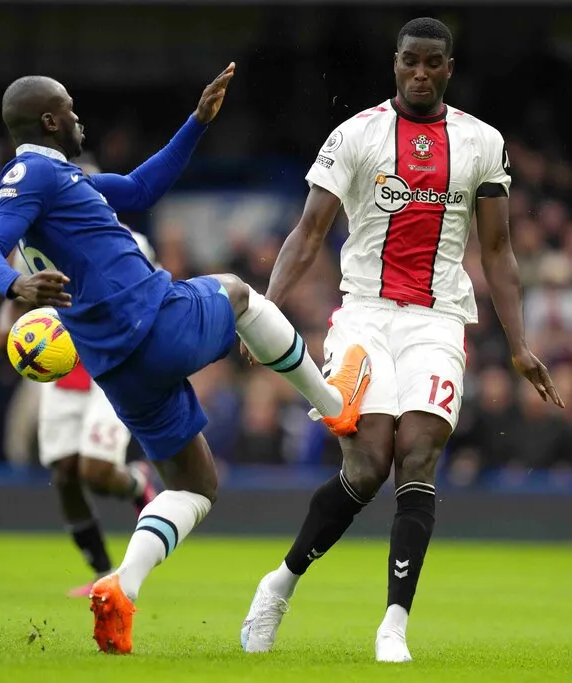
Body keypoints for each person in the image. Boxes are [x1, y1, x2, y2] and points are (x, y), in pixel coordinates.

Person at [0, 64, 371, 654]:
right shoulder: (32, 174)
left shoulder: (61, 179)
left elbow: (139, 190)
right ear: (50, 120)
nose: (79, 116)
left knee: (197, 486)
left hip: (116, 364)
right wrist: (14, 288)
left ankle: (122, 588)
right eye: (70, 107)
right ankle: (335, 405)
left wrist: (195, 123)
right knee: (236, 292)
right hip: (149, 317)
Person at [240, 17, 564, 663]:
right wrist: (266, 312)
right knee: (366, 465)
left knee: (417, 453)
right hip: (363, 313)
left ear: (448, 67)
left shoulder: (481, 141)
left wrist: (521, 344)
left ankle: (393, 624)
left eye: (432, 63)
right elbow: (307, 233)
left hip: (439, 319)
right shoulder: (355, 135)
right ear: (394, 63)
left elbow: (498, 249)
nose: (420, 72)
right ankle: (279, 582)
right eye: (410, 61)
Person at [0, 207, 158, 598]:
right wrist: (4, 331)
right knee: (65, 474)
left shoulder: (131, 241)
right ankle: (101, 571)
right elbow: (15, 297)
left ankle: (136, 482)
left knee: (95, 472)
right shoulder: (33, 242)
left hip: (111, 366)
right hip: (61, 365)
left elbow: (153, 295)